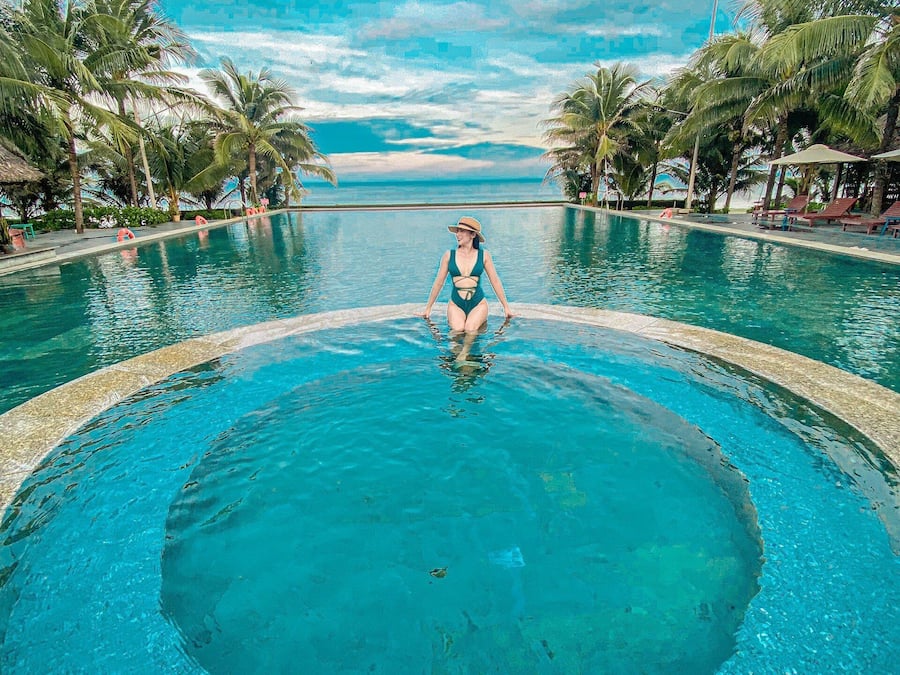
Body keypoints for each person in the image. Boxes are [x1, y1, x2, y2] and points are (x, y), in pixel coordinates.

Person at [422, 216, 513, 332]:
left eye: (462, 231)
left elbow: (495, 281)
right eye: (457, 231)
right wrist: (428, 308)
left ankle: (468, 343)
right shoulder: (449, 255)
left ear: (473, 234)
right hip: (456, 304)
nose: (457, 234)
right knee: (457, 330)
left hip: (478, 303)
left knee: (470, 329)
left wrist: (506, 307)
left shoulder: (484, 255)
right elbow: (439, 282)